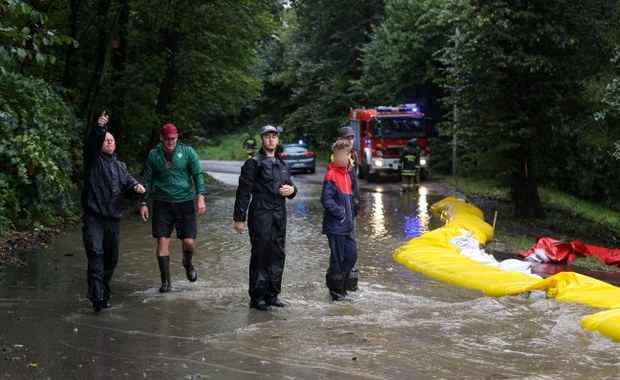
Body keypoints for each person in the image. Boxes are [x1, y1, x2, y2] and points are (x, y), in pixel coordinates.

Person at [82, 112, 145, 312]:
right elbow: (92, 143)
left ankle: (104, 291)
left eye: (112, 139)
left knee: (111, 258)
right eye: (106, 139)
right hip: (94, 217)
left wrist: (137, 190)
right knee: (95, 252)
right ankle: (96, 295)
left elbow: (128, 185)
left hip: (113, 220)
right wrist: (100, 128)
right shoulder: (92, 160)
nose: (109, 141)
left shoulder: (121, 167)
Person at [233, 125, 297, 311]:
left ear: (278, 140)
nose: (271, 140)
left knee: (278, 253)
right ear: (262, 139)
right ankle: (257, 296)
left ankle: (272, 294)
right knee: (261, 254)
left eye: (274, 137)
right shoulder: (253, 163)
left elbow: (291, 187)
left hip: (280, 215)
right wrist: (239, 218)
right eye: (267, 136)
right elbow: (243, 192)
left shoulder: (283, 164)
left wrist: (293, 190)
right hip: (260, 213)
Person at [140, 123, 207, 293]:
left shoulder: (187, 152)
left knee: (189, 242)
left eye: (174, 138)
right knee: (162, 240)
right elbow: (147, 179)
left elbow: (197, 174)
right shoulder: (153, 155)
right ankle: (166, 282)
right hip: (162, 202)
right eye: (168, 139)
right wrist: (143, 202)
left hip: (184, 201)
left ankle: (187, 263)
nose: (171, 142)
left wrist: (200, 197)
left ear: (177, 137)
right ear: (161, 138)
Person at [321, 139, 358, 301]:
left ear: (349, 156)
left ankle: (337, 285)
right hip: (335, 226)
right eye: (338, 155)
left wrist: (353, 211)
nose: (341, 158)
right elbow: (325, 199)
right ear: (334, 156)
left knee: (351, 256)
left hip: (347, 226)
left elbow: (350, 198)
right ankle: (337, 294)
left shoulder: (348, 174)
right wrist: (341, 212)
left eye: (344, 154)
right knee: (337, 259)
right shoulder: (331, 174)